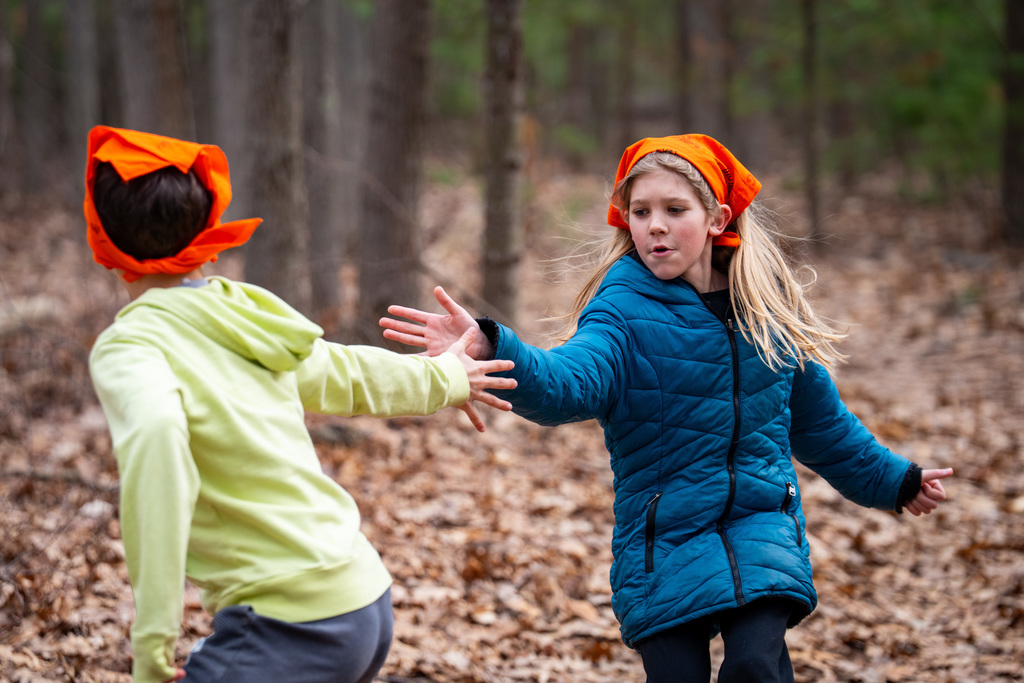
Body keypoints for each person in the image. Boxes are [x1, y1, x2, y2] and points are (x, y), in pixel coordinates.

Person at [379, 134, 953, 682]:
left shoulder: (766, 316)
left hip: (761, 527)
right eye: (641, 211)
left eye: (675, 209)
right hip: (663, 542)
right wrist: (492, 344)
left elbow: (822, 426)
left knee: (755, 666)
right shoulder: (622, 312)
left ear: (717, 220)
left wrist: (895, 482)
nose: (655, 225)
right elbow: (566, 382)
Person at [83, 125, 517, 683]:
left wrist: (152, 647)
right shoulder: (245, 312)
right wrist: (445, 378)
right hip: (361, 600)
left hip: (289, 626)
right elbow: (343, 371)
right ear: (207, 226)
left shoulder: (130, 345)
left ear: (104, 240)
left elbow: (158, 442)